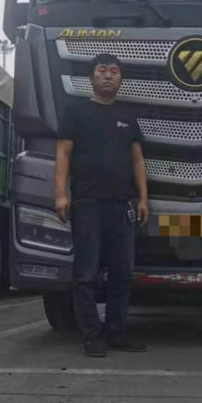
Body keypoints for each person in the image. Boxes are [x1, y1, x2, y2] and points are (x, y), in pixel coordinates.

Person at [55, 53, 149, 357]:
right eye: (102, 70)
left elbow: (137, 160)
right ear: (91, 77)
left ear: (121, 80)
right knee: (86, 273)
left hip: (122, 205)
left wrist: (143, 198)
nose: (108, 76)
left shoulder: (128, 116)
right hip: (88, 203)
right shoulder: (75, 112)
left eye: (114, 72)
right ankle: (92, 334)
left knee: (122, 272)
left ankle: (117, 331)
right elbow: (63, 154)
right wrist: (60, 194)